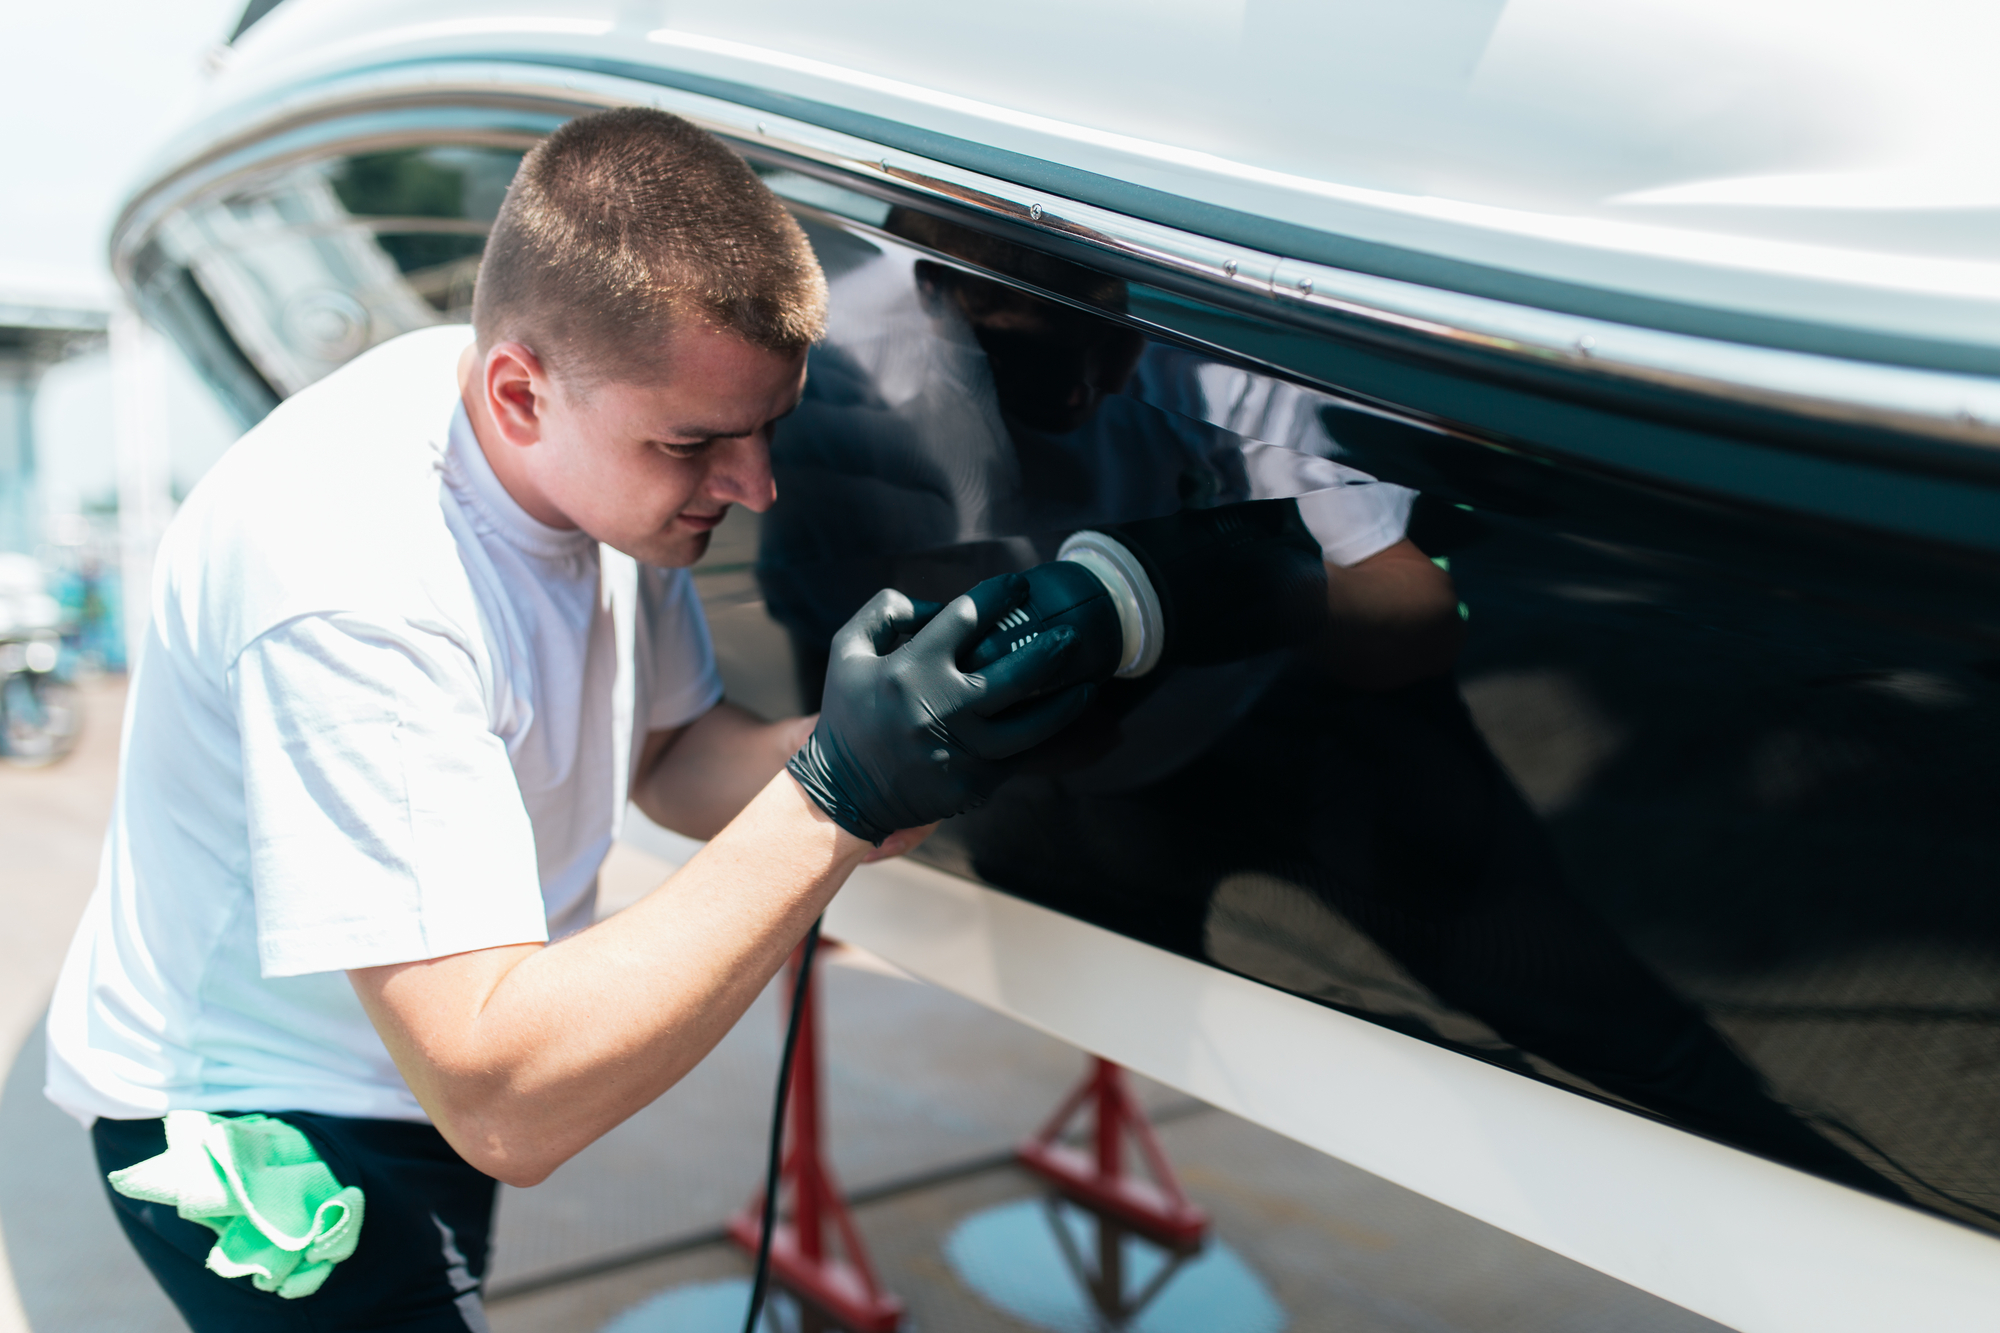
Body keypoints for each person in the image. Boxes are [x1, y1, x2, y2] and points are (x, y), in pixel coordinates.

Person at [43, 107, 1091, 1331]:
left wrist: (893, 740)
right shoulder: (350, 575)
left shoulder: (582, 433)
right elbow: (505, 1103)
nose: (751, 487)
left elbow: (667, 755)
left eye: (768, 428)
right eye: (696, 442)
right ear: (518, 391)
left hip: (421, 1062)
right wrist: (832, 800)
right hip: (264, 1118)